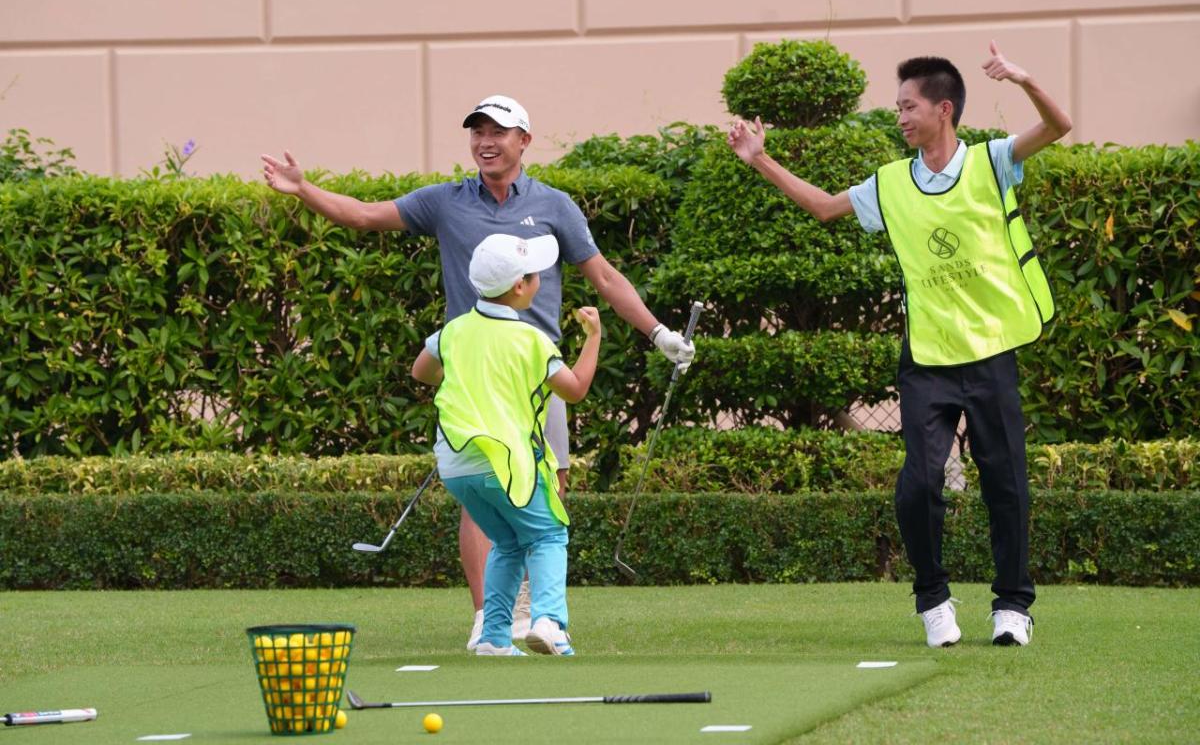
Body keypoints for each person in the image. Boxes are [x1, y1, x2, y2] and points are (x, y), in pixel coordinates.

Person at [261, 95, 695, 650]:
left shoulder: (554, 206)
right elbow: (366, 215)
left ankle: (530, 615)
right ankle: (491, 619)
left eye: (498, 131)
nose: (485, 141)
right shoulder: (445, 202)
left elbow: (605, 278)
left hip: (539, 368)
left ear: (524, 141)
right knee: (487, 496)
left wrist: (659, 334)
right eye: (477, 132)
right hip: (477, 372)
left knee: (549, 487)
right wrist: (304, 190)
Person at [726, 41, 1071, 647]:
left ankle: (1013, 607)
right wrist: (760, 160)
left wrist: (1022, 77)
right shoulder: (890, 183)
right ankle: (933, 600)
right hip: (927, 360)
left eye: (908, 106)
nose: (899, 116)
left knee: (1006, 483)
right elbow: (826, 208)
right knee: (918, 483)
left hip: (991, 351)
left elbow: (1058, 125)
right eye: (896, 106)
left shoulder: (993, 161)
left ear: (944, 109)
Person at [411, 232, 600, 656]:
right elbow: (574, 390)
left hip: (458, 466)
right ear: (519, 287)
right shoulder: (531, 340)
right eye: (536, 275)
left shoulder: (452, 332)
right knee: (550, 534)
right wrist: (593, 337)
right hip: (509, 463)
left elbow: (421, 372)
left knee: (509, 542)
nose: (541, 280)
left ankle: (495, 638)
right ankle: (549, 622)